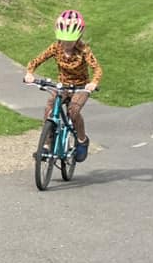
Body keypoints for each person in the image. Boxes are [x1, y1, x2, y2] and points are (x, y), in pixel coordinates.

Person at [23, 9, 102, 162]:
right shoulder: (56, 47)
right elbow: (36, 61)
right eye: (64, 40)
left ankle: (81, 140)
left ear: (78, 36)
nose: (66, 44)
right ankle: (47, 145)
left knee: (73, 111)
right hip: (63, 85)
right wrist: (30, 73)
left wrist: (93, 83)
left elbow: (97, 68)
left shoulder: (84, 50)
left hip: (80, 87)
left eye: (70, 41)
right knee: (49, 109)